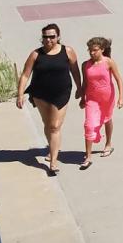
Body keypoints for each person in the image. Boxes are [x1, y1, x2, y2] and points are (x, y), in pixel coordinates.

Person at [16, 24, 82, 176]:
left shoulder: (68, 51)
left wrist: (80, 88)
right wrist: (20, 94)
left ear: (58, 36)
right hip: (40, 94)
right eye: (45, 37)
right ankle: (52, 148)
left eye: (52, 36)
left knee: (55, 126)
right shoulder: (35, 54)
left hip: (61, 93)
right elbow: (25, 74)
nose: (48, 40)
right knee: (48, 125)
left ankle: (53, 161)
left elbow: (75, 71)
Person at [78, 36, 123, 169]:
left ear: (102, 49)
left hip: (107, 97)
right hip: (92, 99)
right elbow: (85, 83)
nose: (92, 53)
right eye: (90, 50)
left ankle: (108, 144)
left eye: (95, 50)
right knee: (89, 124)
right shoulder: (85, 65)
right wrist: (82, 98)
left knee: (107, 119)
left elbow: (118, 79)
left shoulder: (109, 62)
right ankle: (88, 157)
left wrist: (121, 97)